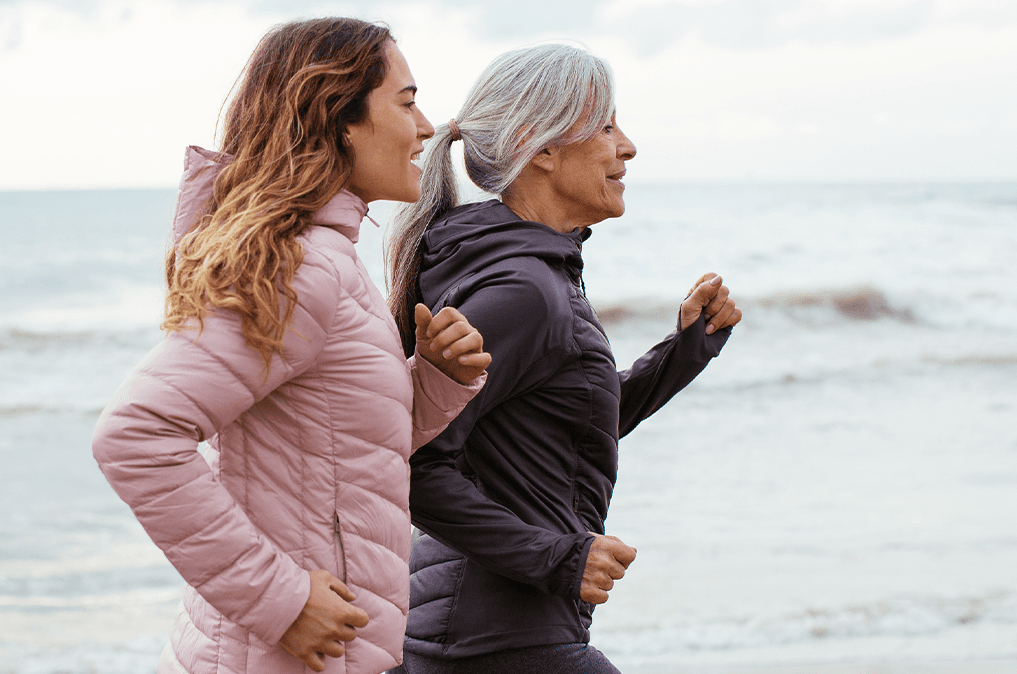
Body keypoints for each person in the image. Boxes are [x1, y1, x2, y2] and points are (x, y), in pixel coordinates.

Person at [91, 18, 493, 674]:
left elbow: (339, 452)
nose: (425, 127)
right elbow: (135, 436)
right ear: (340, 120)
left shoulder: (328, 260)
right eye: (407, 101)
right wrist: (278, 599)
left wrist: (435, 379)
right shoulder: (306, 269)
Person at [384, 43, 743, 673]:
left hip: (493, 626)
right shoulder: (522, 291)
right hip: (494, 635)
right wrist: (557, 558)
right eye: (606, 125)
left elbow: (555, 428)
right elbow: (409, 462)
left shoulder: (534, 274)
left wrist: (682, 354)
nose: (626, 146)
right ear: (541, 147)